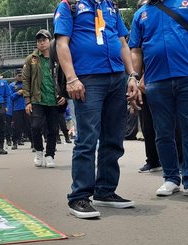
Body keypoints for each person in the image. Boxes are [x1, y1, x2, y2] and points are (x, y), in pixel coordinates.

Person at [55, 0, 142, 218]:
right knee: (87, 139)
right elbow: (62, 44)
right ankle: (79, 197)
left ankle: (105, 191)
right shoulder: (70, 5)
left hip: (116, 77)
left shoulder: (111, 6)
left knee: (113, 138)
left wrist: (131, 75)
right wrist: (71, 78)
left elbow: (123, 43)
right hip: (88, 79)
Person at [129, 0, 188, 200]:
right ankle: (171, 177)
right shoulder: (141, 14)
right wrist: (134, 77)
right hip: (156, 81)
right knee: (163, 131)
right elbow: (135, 50)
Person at [22, 29, 66, 168]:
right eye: (39, 41)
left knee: (53, 130)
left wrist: (64, 95)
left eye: (44, 40)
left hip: (54, 100)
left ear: (50, 41)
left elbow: (65, 77)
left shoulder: (59, 57)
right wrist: (27, 101)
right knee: (35, 127)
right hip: (37, 99)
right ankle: (39, 152)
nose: (41, 43)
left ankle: (50, 155)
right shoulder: (32, 59)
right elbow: (25, 80)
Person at [9, 68, 30, 150]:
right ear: (15, 76)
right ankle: (14, 142)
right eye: (19, 75)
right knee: (16, 127)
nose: (21, 77)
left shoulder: (28, 84)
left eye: (22, 75)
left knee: (29, 126)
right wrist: (17, 93)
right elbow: (10, 97)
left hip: (27, 107)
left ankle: (33, 143)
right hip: (17, 108)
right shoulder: (12, 85)